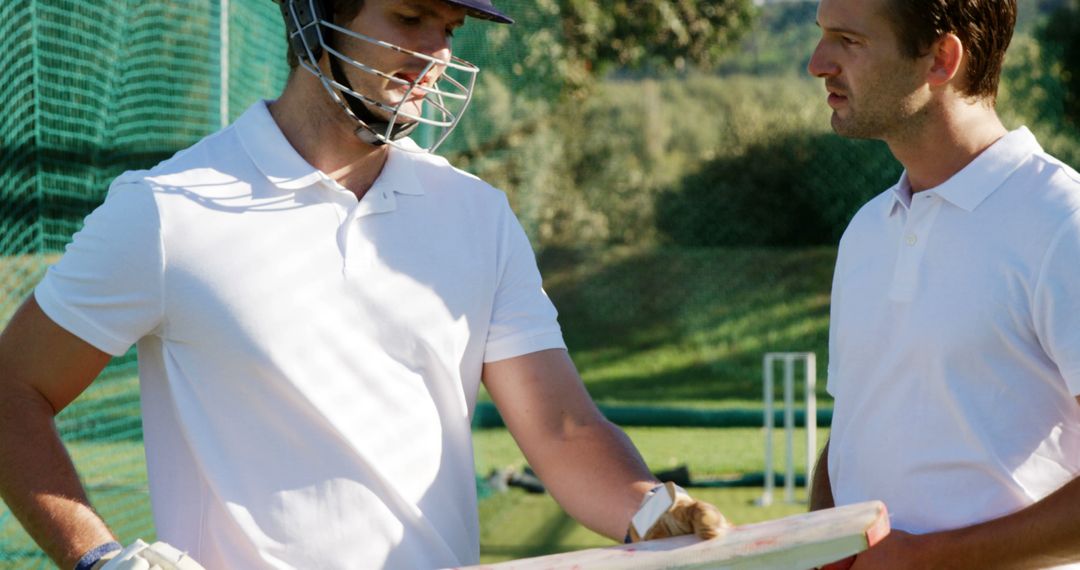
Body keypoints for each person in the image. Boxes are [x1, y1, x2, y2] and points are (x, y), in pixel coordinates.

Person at [0, 1, 728, 568]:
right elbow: (11, 393)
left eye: (449, 29)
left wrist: (652, 510)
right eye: (410, 19)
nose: (438, 54)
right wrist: (97, 557)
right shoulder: (169, 209)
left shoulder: (477, 214)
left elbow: (563, 431)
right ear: (315, 18)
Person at [806, 0, 1080, 567]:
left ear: (940, 58)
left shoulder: (1063, 223)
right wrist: (822, 542)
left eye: (848, 41)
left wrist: (933, 558)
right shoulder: (865, 231)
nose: (817, 62)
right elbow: (855, 434)